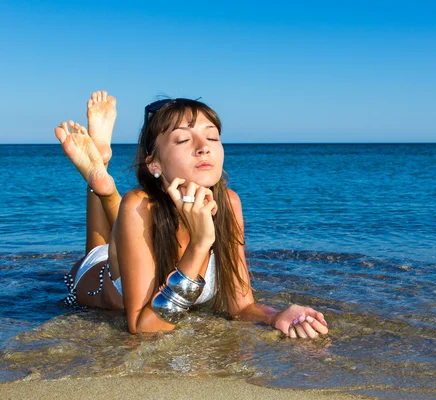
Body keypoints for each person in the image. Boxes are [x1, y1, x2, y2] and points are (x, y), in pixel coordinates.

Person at [56, 91, 328, 339]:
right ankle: (101, 181)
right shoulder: (137, 205)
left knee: (126, 231)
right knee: (102, 248)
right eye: (184, 139)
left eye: (212, 137)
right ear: (154, 163)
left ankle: (101, 181)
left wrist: (275, 316)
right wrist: (200, 243)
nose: (203, 147)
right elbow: (144, 327)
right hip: (97, 277)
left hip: (134, 232)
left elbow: (241, 305)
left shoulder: (229, 203)